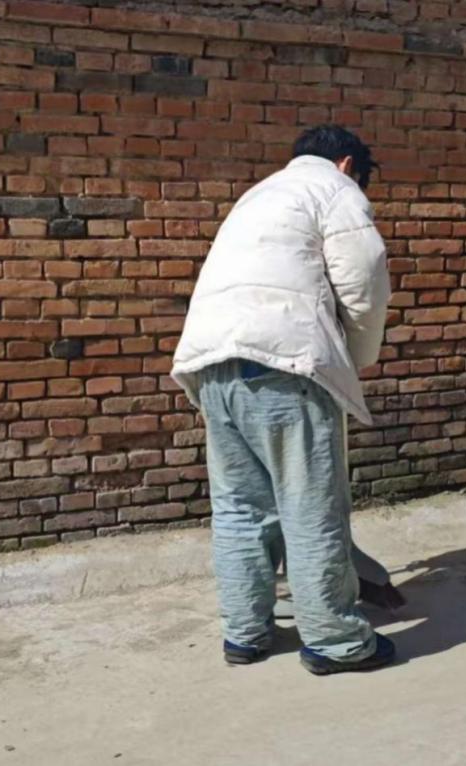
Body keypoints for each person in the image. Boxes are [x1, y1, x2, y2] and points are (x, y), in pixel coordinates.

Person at [171, 125, 400, 675]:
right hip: (283, 364)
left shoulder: (258, 196)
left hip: (210, 365)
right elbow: (364, 279)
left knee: (241, 509)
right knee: (310, 507)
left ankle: (245, 633)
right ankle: (335, 641)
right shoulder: (334, 188)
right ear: (346, 164)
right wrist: (356, 359)